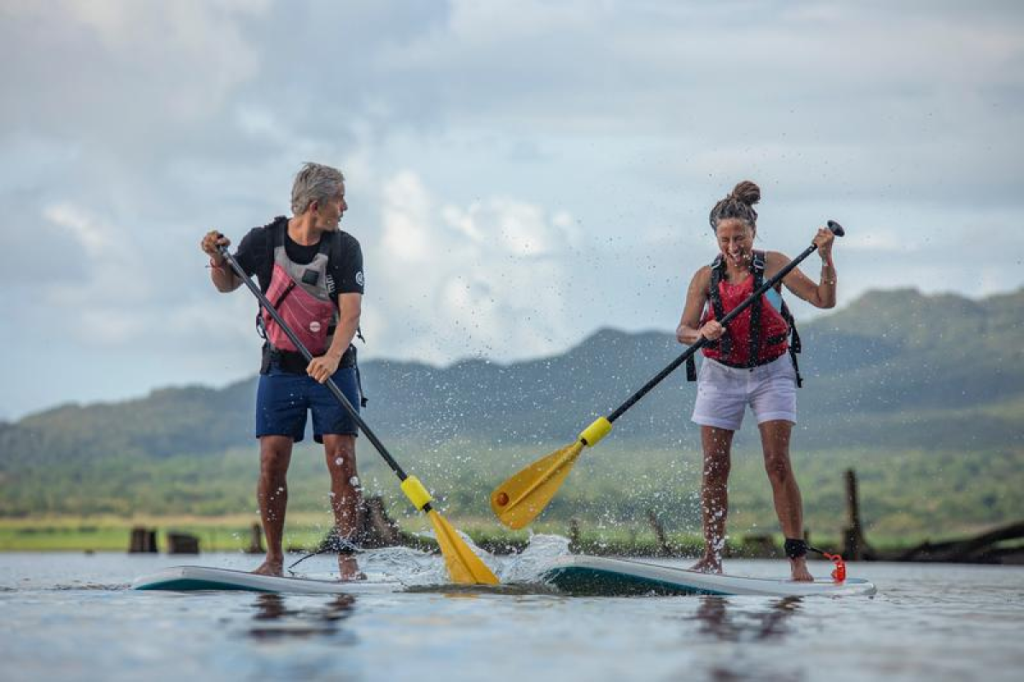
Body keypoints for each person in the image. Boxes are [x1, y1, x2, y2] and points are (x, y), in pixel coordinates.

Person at [200, 162, 366, 580]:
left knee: (342, 459)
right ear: (316, 205)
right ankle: (273, 561)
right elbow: (226, 285)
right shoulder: (264, 240)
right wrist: (217, 259)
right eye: (339, 199)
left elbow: (350, 315)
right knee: (272, 460)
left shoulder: (346, 248)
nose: (345, 207)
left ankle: (349, 564)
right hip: (281, 369)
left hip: (334, 367)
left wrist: (330, 357)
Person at [675, 180, 836, 581]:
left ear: (753, 232)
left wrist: (826, 259)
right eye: (725, 239)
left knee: (777, 463)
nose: (733, 247)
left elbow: (823, 299)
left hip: (771, 372)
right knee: (714, 466)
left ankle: (798, 564)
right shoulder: (704, 278)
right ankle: (711, 558)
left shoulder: (775, 263)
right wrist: (702, 332)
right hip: (720, 374)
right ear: (716, 237)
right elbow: (683, 330)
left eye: (740, 238)